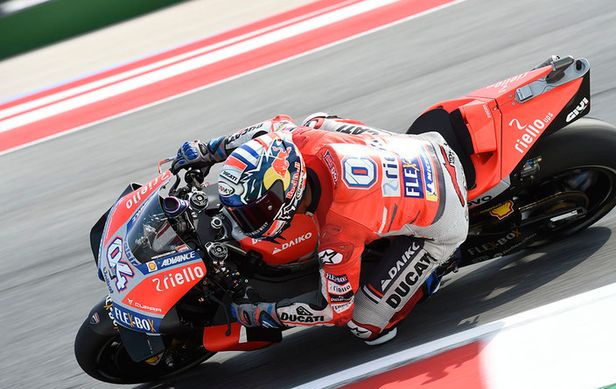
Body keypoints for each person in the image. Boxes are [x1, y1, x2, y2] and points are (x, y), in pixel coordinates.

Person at [172, 113, 469, 345]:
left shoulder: (338, 233)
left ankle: (434, 272)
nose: (244, 221)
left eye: (255, 211)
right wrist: (208, 151)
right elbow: (267, 128)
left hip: (446, 214)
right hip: (421, 148)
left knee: (364, 324)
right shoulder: (295, 142)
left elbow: (332, 311)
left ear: (287, 192)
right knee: (314, 122)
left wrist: (257, 313)